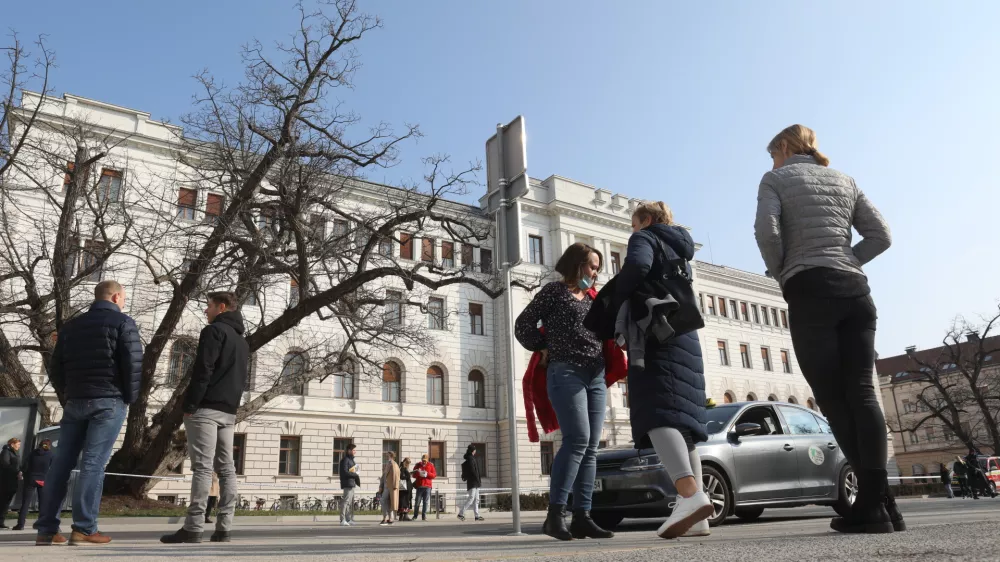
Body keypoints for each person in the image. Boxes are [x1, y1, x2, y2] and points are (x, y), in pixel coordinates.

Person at [754, 125, 897, 535]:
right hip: (856, 292)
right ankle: (880, 504)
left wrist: (785, 273)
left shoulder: (775, 178)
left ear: (783, 148)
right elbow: (881, 235)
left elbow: (767, 231)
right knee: (864, 395)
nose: (773, 162)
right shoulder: (844, 179)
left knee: (834, 402)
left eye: (773, 153)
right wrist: (847, 259)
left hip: (809, 291)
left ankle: (874, 505)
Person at [611, 202, 711, 539]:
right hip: (685, 334)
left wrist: (613, 299)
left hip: (657, 334)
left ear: (648, 220)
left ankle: (689, 495)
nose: (632, 230)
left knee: (655, 414)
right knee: (684, 427)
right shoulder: (680, 246)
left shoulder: (646, 237)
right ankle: (699, 518)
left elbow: (637, 267)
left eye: (634, 224)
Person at [514, 242, 614, 541]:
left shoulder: (594, 297)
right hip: (566, 371)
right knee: (577, 439)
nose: (594, 273)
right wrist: (543, 346)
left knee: (592, 447)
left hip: (595, 375)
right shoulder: (554, 292)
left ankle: (583, 516)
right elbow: (523, 325)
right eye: (591, 266)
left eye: (597, 268)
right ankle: (555, 515)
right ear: (576, 265)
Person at [36, 280, 143, 546]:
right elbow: (132, 362)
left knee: (60, 464)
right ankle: (84, 528)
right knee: (93, 465)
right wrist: (129, 397)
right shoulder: (123, 323)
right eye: (124, 298)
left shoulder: (71, 326)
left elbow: (55, 365)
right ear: (117, 297)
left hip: (76, 401)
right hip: (108, 400)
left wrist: (67, 393)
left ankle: (47, 529)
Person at [161, 292, 249, 544]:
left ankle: (193, 527)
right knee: (227, 469)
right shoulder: (242, 341)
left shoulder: (213, 332)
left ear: (221, 307)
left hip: (206, 407)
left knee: (202, 467)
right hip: (229, 410)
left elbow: (203, 369)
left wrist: (190, 404)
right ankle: (224, 528)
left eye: (208, 306)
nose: (205, 311)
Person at [14, 439, 54, 530]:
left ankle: (20, 525)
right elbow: (53, 468)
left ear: (39, 445)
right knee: (43, 503)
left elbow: (25, 466)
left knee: (25, 503)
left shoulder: (32, 453)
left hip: (31, 479)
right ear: (49, 446)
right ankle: (41, 524)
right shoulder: (51, 455)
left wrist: (25, 474)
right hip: (43, 480)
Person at [458, 445, 484, 522]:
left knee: (476, 499)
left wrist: (478, 480)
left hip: (475, 481)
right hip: (473, 481)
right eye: (475, 450)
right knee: (471, 498)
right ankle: (461, 513)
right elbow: (473, 471)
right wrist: (477, 479)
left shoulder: (472, 458)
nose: (475, 451)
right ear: (473, 451)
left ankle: (477, 515)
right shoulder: (470, 459)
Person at [0, 438, 21, 530]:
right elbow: (5, 465)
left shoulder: (14, 453)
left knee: (6, 502)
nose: (19, 446)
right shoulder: (6, 452)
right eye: (18, 444)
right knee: (3, 501)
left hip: (12, 480)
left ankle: (1, 521)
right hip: (5, 481)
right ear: (12, 444)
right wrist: (17, 472)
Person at [339, 443, 360, 526]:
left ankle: (348, 519)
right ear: (349, 451)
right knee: (345, 501)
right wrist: (355, 474)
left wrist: (356, 473)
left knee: (349, 503)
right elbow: (345, 472)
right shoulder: (345, 460)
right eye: (354, 450)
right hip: (347, 483)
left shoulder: (351, 460)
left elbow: (353, 470)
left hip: (352, 483)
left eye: (355, 450)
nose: (355, 452)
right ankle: (342, 519)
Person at [411, 454, 437, 521]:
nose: (424, 462)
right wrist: (418, 472)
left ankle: (424, 516)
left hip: (427, 486)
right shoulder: (418, 465)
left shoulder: (430, 465)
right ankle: (415, 516)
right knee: (417, 502)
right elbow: (413, 475)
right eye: (423, 460)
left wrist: (427, 474)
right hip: (419, 486)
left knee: (425, 502)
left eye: (425, 461)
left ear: (427, 460)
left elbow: (434, 475)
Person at [379, 451, 400, 526]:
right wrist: (381, 486)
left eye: (387, 455)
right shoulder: (388, 463)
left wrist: (395, 486)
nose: (385, 456)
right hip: (386, 486)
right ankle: (389, 518)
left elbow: (396, 476)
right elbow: (384, 475)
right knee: (387, 502)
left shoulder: (393, 464)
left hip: (390, 486)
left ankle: (386, 517)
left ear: (391, 455)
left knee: (384, 500)